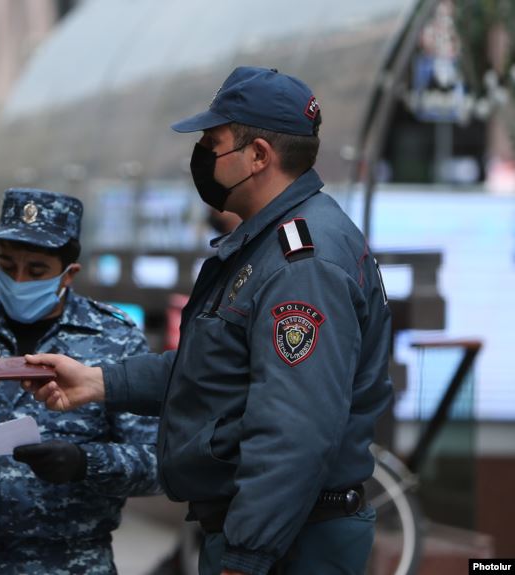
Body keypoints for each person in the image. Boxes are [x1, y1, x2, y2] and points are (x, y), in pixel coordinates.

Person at [24, 67, 393, 575]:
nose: (201, 155)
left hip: (290, 545)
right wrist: (98, 382)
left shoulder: (302, 264)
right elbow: (218, 367)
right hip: (268, 533)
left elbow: (294, 428)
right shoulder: (264, 245)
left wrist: (246, 557)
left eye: (212, 141)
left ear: (259, 155)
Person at [0, 188, 162, 574]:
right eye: (7, 266)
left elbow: (158, 462)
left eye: (36, 270)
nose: (18, 280)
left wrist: (84, 462)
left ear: (69, 274)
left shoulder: (116, 339)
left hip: (77, 561)